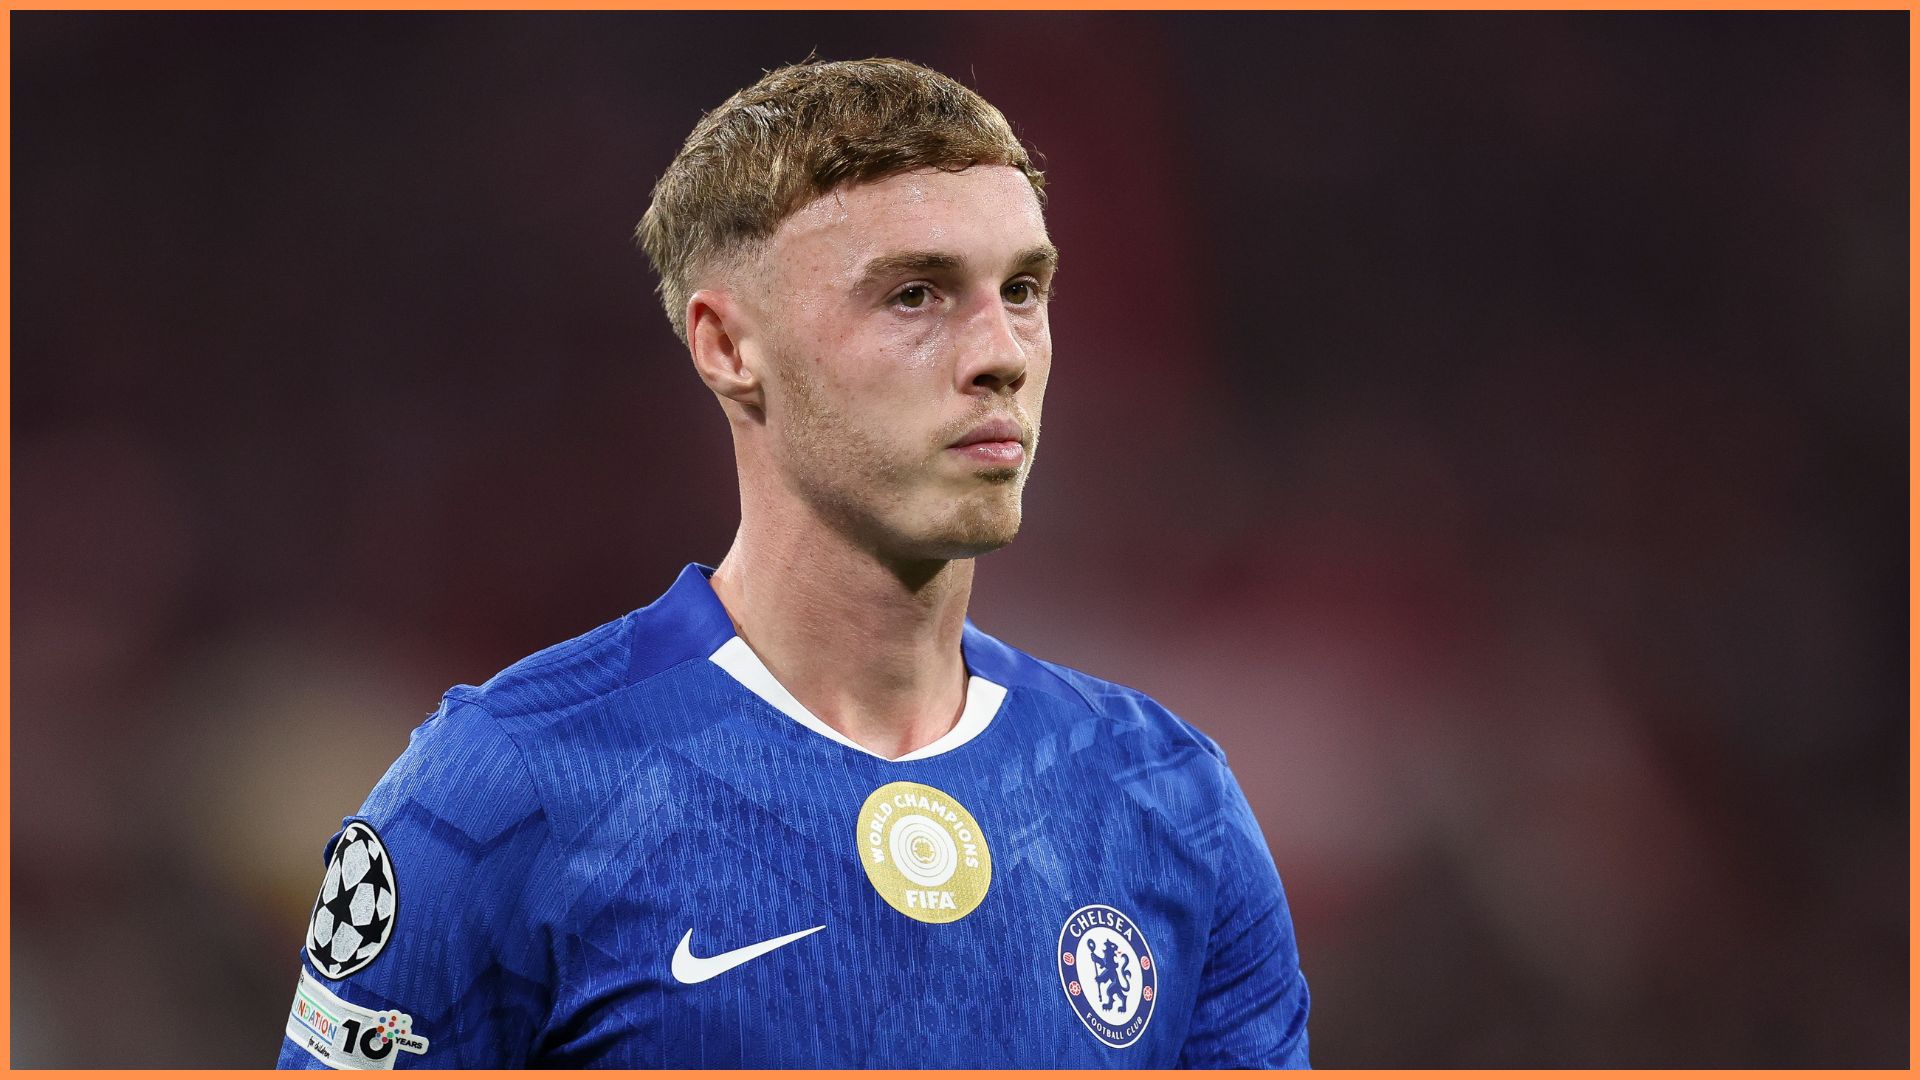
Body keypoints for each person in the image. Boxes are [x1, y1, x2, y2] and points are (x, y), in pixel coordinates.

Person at [276, 56, 1309, 1069]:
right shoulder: (501, 791)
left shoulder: (1168, 800)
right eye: (915, 295)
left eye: (1025, 288)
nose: (1001, 352)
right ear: (728, 347)